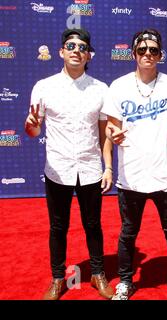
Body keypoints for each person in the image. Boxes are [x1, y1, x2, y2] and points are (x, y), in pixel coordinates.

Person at [102, 28, 167, 300]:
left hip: (165, 174)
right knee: (128, 234)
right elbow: (110, 127)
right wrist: (112, 134)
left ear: (160, 54)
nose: (148, 55)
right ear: (133, 53)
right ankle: (125, 281)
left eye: (153, 50)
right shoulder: (119, 86)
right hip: (130, 176)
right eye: (142, 50)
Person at [24, 28, 114, 300]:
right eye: (71, 45)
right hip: (57, 169)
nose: (76, 50)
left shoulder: (101, 89)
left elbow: (104, 133)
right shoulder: (43, 86)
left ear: (89, 55)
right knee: (58, 226)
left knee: (93, 224)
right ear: (62, 52)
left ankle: (98, 274)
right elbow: (33, 130)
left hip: (89, 168)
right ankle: (58, 278)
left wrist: (108, 167)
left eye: (82, 47)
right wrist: (31, 127)